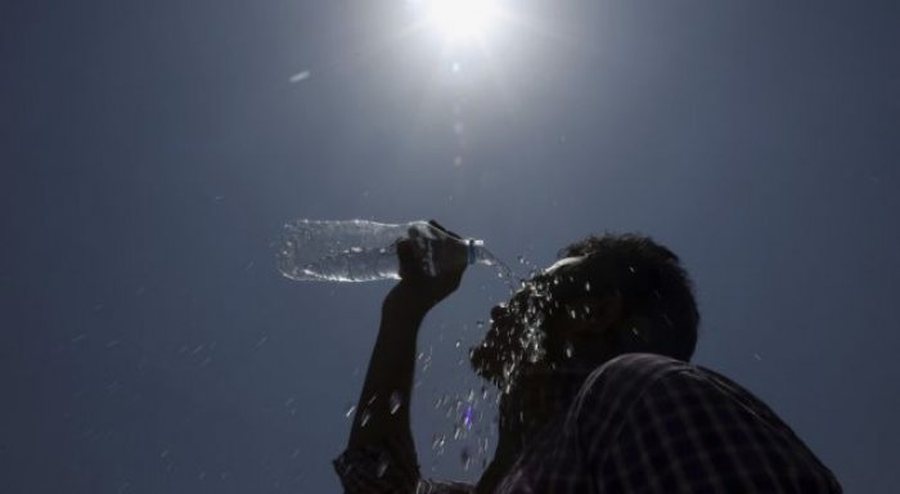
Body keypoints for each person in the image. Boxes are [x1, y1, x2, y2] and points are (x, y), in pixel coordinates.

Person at [334, 222, 842, 493]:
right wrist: (405, 308)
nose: (500, 304)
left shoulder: (637, 395)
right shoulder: (519, 473)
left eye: (534, 288)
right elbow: (377, 485)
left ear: (595, 312)